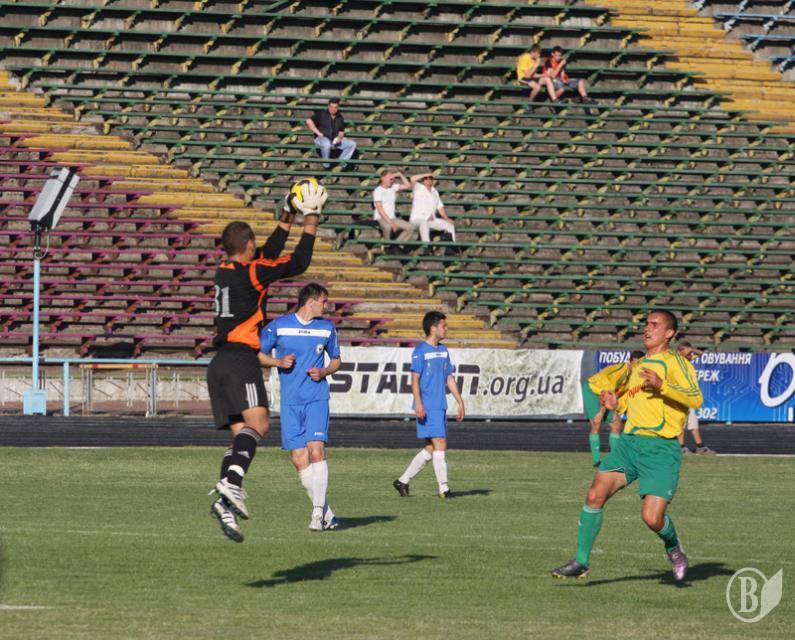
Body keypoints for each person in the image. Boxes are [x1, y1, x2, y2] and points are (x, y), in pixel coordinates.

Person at [207, 180, 328, 543]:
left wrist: (287, 212)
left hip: (219, 364)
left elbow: (268, 251)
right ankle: (229, 486)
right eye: (254, 244)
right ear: (248, 246)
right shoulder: (252, 272)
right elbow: (298, 261)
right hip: (241, 359)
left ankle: (226, 502)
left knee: (240, 441)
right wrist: (310, 217)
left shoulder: (225, 268)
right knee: (259, 424)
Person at [551, 310, 702, 581]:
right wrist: (616, 405)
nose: (647, 328)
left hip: (660, 449)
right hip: (630, 445)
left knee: (652, 519)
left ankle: (673, 546)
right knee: (594, 495)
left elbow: (695, 398)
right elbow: (634, 404)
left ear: (669, 333)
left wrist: (662, 385)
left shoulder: (676, 363)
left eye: (654, 325)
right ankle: (581, 560)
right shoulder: (639, 365)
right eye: (646, 324)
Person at [260, 283, 342, 531]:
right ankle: (327, 513)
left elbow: (336, 360)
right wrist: (278, 362)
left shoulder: (327, 328)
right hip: (290, 402)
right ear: (311, 301)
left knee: (316, 451)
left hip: (316, 397)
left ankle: (316, 515)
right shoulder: (278, 326)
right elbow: (258, 354)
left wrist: (324, 371)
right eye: (324, 301)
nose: (327, 305)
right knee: (299, 459)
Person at [393, 311, 465, 499]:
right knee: (440, 443)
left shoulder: (443, 350)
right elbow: (415, 379)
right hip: (428, 405)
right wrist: (418, 403)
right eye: (443, 325)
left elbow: (449, 377)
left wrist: (460, 401)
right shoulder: (420, 351)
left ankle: (402, 481)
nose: (446, 329)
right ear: (433, 328)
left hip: (440, 405)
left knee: (431, 448)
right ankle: (444, 489)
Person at [584, 350, 644, 467]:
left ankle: (616, 459)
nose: (637, 367)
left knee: (616, 424)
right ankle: (596, 460)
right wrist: (601, 413)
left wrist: (618, 410)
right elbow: (607, 393)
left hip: (608, 395)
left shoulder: (636, 376)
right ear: (629, 362)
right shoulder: (620, 372)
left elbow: (622, 394)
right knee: (596, 423)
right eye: (635, 364)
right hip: (593, 391)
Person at [677, 341, 716, 456]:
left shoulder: (688, 360)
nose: (690, 355)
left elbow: (701, 354)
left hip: (690, 397)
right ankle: (681, 447)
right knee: (682, 425)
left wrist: (692, 350)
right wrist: (685, 351)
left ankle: (700, 447)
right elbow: (680, 355)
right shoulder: (677, 361)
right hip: (680, 396)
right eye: (688, 353)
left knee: (694, 424)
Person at [408, 172, 457, 254]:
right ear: (423, 180)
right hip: (417, 220)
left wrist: (446, 218)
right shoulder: (418, 187)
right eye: (426, 178)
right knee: (423, 223)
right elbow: (412, 178)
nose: (428, 180)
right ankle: (427, 248)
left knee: (449, 225)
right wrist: (426, 174)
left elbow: (440, 207)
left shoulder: (435, 192)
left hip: (431, 220)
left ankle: (451, 249)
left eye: (430, 178)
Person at [305, 98, 356, 169]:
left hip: (333, 140)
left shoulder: (340, 118)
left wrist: (339, 138)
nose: (333, 109)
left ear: (338, 108)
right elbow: (308, 121)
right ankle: (326, 166)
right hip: (321, 139)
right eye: (331, 107)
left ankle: (341, 163)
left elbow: (341, 132)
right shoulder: (322, 114)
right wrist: (318, 133)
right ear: (328, 106)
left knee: (352, 144)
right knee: (326, 143)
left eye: (335, 107)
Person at [372, 169, 416, 248]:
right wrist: (392, 223)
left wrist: (400, 175)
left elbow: (408, 186)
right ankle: (387, 246)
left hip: (392, 218)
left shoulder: (393, 187)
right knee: (388, 226)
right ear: (383, 178)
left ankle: (397, 245)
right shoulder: (378, 191)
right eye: (390, 178)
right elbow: (380, 210)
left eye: (392, 179)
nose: (392, 180)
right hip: (381, 218)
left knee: (411, 227)